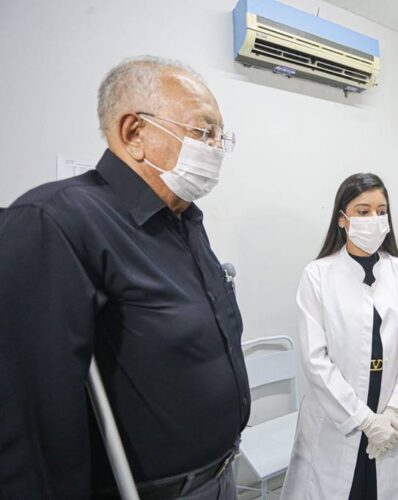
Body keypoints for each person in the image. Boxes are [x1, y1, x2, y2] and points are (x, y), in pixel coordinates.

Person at [0, 56, 248, 499]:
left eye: (219, 137)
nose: (215, 149)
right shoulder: (58, 220)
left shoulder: (184, 222)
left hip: (220, 475)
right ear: (134, 133)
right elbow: (32, 419)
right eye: (202, 131)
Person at [281, 173, 398, 500]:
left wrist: (394, 412)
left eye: (381, 211)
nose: (374, 219)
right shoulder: (318, 275)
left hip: (390, 419)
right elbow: (316, 362)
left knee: (382, 490)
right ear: (343, 219)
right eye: (363, 211)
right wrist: (366, 421)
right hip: (339, 419)